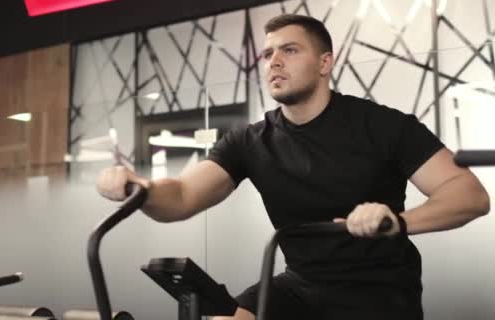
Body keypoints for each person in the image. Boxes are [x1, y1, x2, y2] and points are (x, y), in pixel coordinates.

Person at [96, 14, 490, 320]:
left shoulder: (384, 125)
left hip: (377, 294)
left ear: (325, 63)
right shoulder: (250, 141)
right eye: (267, 54)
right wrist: (140, 188)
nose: (274, 62)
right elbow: (181, 197)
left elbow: (469, 195)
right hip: (300, 285)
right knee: (226, 316)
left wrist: (398, 221)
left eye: (289, 51)